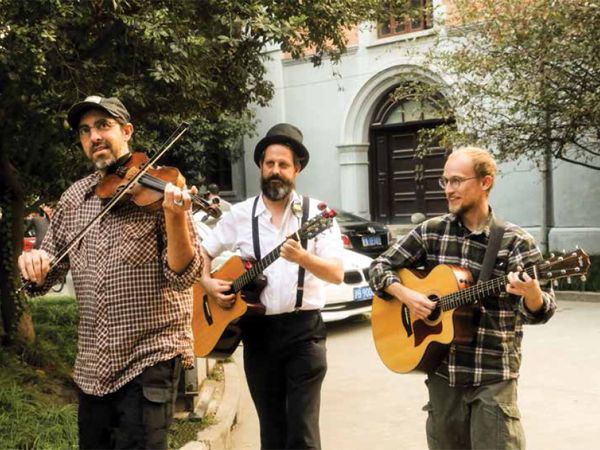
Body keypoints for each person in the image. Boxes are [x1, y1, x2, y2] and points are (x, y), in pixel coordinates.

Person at [18, 95, 203, 450]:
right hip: (92, 366)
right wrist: (34, 267)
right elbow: (47, 270)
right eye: (86, 131)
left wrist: (176, 216)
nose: (94, 136)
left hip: (149, 357)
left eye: (103, 125)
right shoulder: (74, 199)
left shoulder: (161, 190)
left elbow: (183, 274)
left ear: (127, 131)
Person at [369, 146, 556, 449]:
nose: (449, 190)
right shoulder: (431, 231)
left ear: (485, 182)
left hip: (492, 377)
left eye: (457, 181)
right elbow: (379, 266)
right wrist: (406, 295)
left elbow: (542, 310)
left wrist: (532, 293)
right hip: (444, 375)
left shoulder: (515, 241)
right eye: (445, 182)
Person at [198, 123, 344, 449]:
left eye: (283, 164)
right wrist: (207, 282)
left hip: (303, 333)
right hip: (258, 335)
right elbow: (203, 252)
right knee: (272, 431)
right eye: (269, 164)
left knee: (302, 434)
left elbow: (336, 273)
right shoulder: (239, 214)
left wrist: (304, 258)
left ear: (297, 169)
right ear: (261, 167)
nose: (275, 171)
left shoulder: (317, 214)